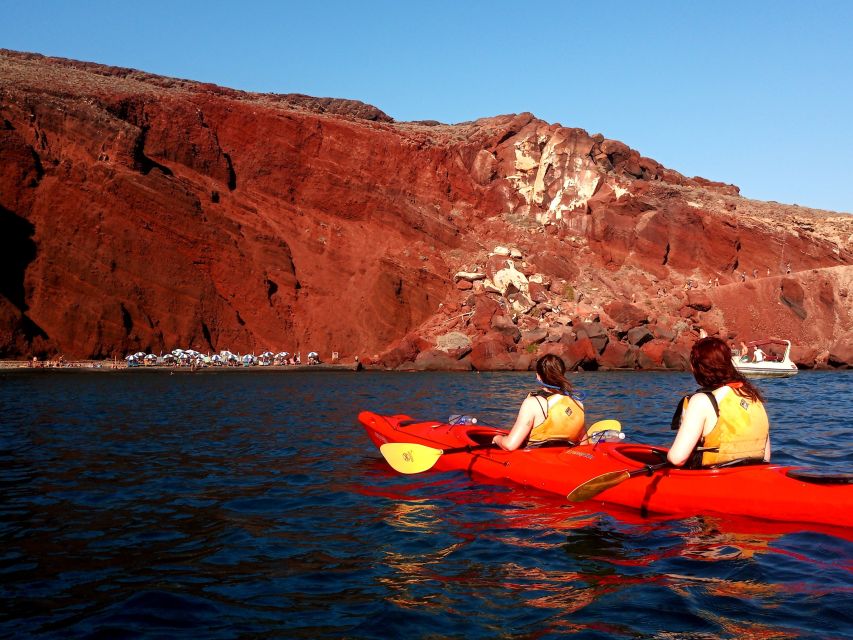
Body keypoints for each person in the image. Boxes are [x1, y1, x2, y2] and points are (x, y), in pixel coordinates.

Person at [668, 337, 770, 468]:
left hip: (712, 480)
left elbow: (677, 458)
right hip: (752, 477)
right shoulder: (753, 398)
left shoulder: (701, 401)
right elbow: (766, 457)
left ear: (697, 368)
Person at [492, 354, 585, 451]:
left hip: (536, 461)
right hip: (566, 460)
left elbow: (510, 445)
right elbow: (584, 444)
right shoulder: (578, 404)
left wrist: (497, 438)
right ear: (562, 374)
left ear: (538, 376)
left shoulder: (532, 403)